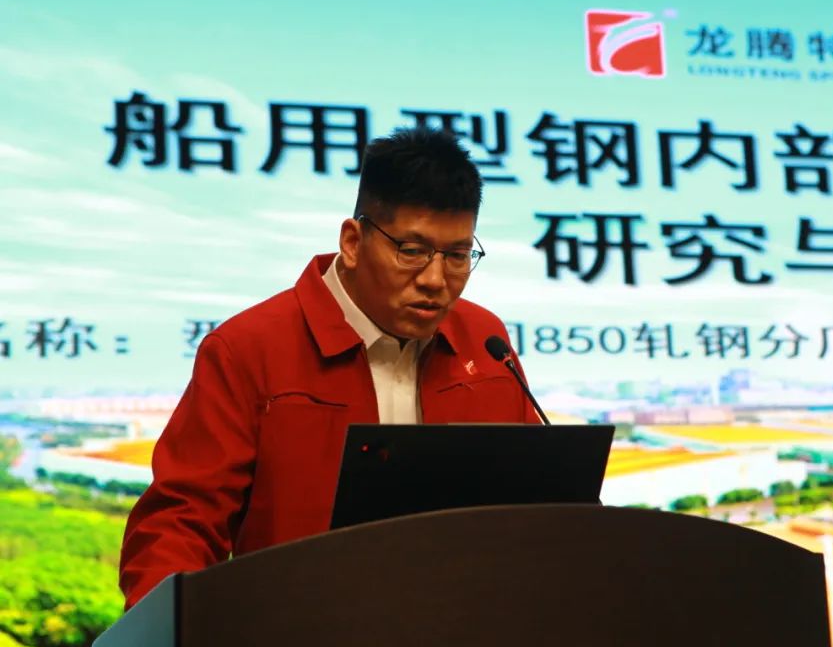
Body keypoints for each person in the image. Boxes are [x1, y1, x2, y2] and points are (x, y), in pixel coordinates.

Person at [119, 127, 540, 609]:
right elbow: (182, 521)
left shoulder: (484, 340)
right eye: (411, 251)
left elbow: (534, 500)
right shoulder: (249, 348)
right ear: (353, 241)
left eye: (458, 256)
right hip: (299, 630)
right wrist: (174, 627)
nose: (434, 279)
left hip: (461, 625)